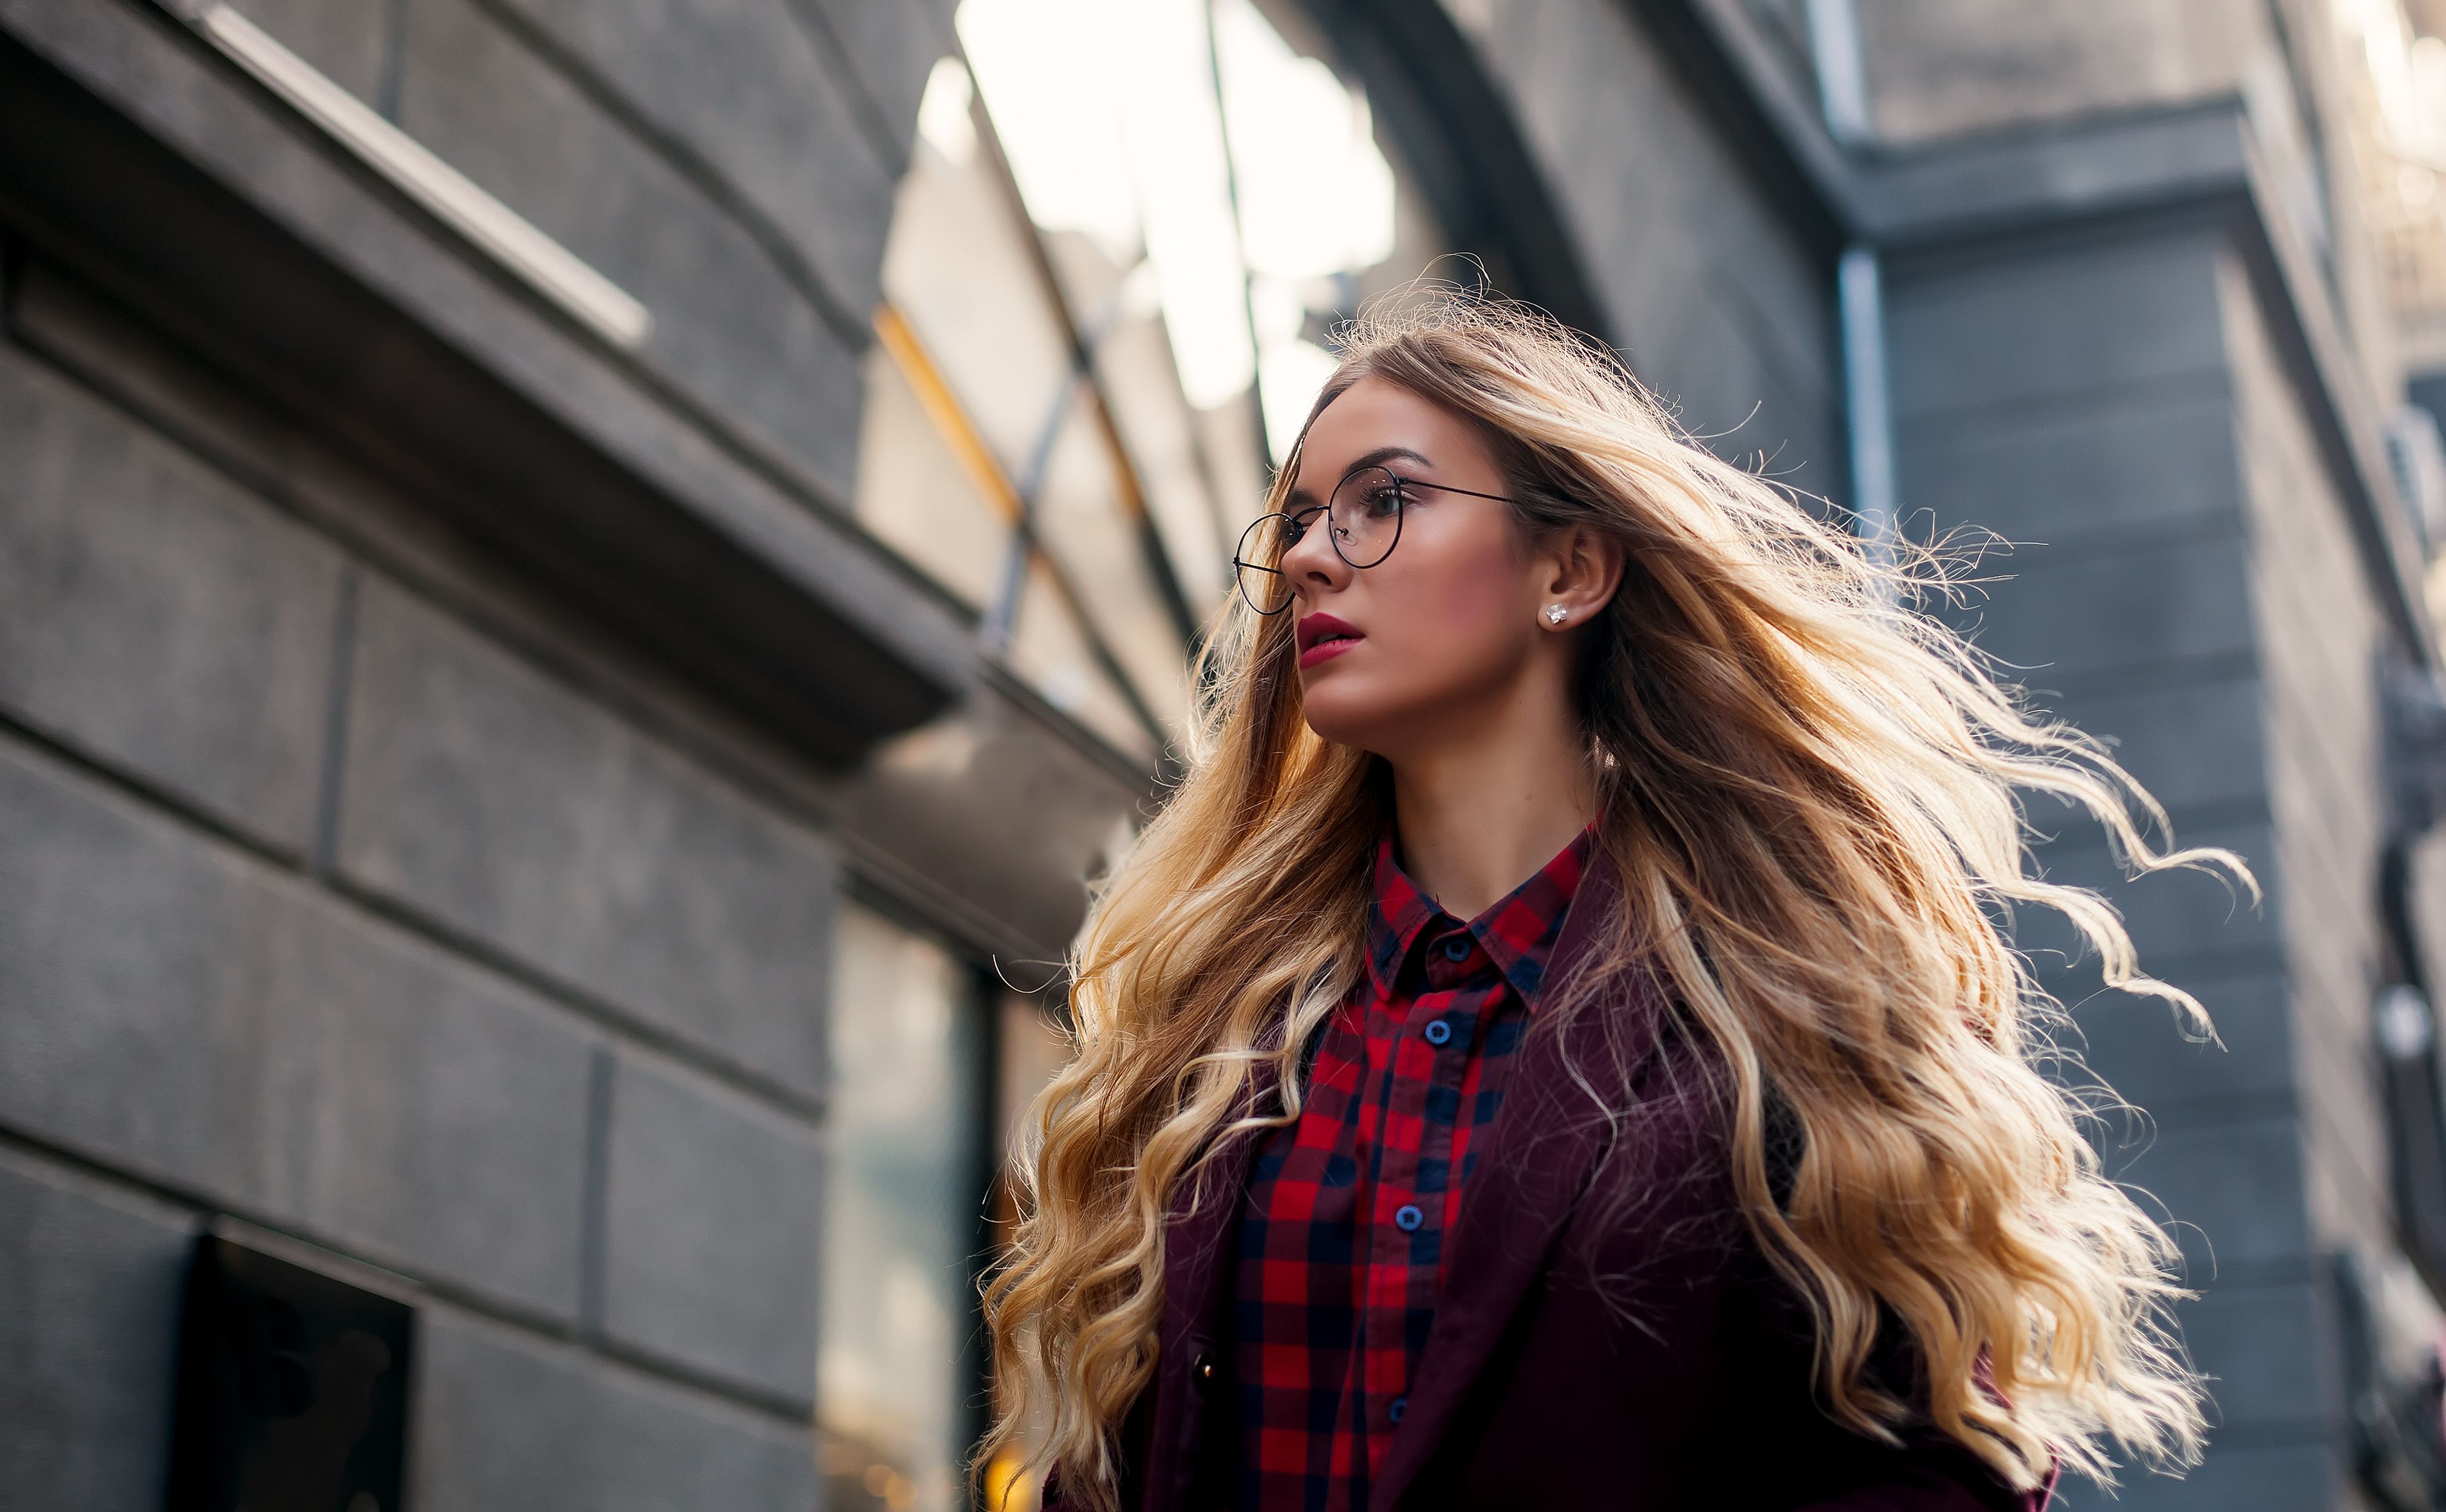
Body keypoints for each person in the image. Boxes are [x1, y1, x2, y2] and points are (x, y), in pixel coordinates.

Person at [978, 293, 2240, 1511]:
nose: (1310, 553)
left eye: (1385, 502)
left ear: (1570, 568)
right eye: (1301, 518)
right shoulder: (1215, 1038)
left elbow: (1940, 1465)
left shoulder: (1783, 1003)